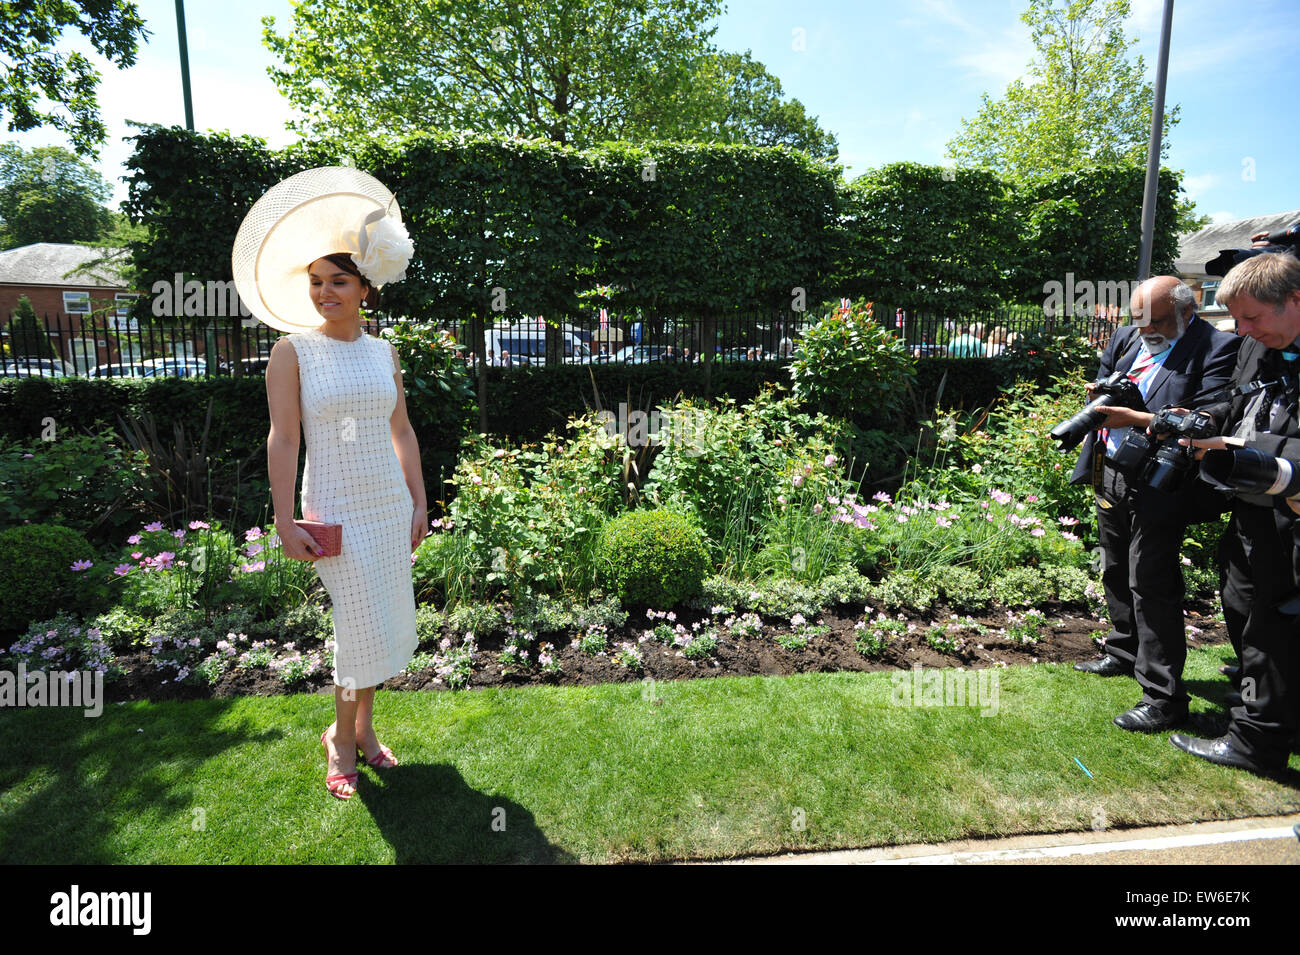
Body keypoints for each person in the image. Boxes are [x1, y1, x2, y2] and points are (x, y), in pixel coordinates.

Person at [235, 166, 425, 801]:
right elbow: (283, 438)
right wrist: (284, 519)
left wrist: (418, 500)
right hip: (335, 510)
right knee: (359, 626)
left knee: (381, 624)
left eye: (337, 281)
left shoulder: (384, 353)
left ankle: (364, 730)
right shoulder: (293, 352)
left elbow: (402, 429)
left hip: (386, 507)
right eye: (315, 283)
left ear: (366, 287)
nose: (324, 293)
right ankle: (340, 740)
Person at [1070, 276, 1240, 733]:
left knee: (1152, 581)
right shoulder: (1130, 334)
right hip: (1112, 467)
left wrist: (1140, 418)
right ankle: (1123, 650)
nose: (1146, 331)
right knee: (1114, 564)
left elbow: (1208, 418)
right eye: (1138, 320)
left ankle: (1163, 698)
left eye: (1158, 321)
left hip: (1164, 478)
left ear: (1188, 313)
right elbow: (1110, 377)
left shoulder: (1218, 347)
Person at [1174, 253, 1300, 772]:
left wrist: (1267, 460)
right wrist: (1202, 420)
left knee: (1275, 625)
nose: (1241, 331)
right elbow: (1236, 399)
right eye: (1236, 319)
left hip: (1290, 512)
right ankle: (1259, 715)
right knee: (1243, 607)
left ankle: (1258, 745)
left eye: (1253, 318)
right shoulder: (1258, 344)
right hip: (1251, 510)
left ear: (1296, 300)